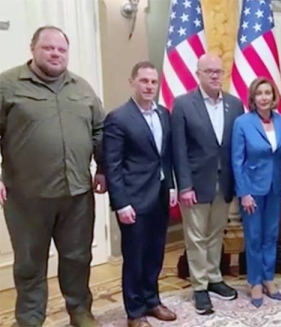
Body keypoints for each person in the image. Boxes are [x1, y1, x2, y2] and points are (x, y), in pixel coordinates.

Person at [0, 25, 106, 327]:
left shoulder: (82, 88)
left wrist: (102, 168)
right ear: (33, 49)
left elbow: (100, 130)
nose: (56, 53)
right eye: (48, 48)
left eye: (61, 49)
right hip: (27, 197)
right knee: (30, 263)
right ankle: (30, 318)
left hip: (77, 195)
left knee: (77, 258)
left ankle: (80, 311)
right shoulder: (7, 85)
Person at [103, 61, 178, 327]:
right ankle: (135, 312)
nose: (149, 86)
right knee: (134, 257)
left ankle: (152, 300)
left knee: (155, 253)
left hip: (159, 196)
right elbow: (112, 166)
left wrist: (170, 186)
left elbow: (165, 157)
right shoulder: (118, 118)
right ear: (132, 82)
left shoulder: (164, 114)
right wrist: (120, 203)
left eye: (153, 82)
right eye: (144, 81)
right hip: (133, 201)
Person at [171, 53, 244, 315]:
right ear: (198, 74)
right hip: (196, 184)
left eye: (218, 71)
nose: (214, 76)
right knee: (196, 236)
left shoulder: (235, 104)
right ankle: (199, 286)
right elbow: (178, 150)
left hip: (225, 183)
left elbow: (237, 146)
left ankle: (214, 278)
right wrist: (185, 185)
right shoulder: (182, 105)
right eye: (208, 71)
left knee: (215, 233)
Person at [231, 77, 281, 308]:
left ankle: (268, 278)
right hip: (252, 189)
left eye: (268, 93)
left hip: (276, 187)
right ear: (253, 98)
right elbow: (237, 160)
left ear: (274, 96)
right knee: (254, 236)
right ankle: (254, 281)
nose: (264, 97)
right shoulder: (243, 123)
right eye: (259, 93)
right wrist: (243, 192)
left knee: (271, 235)